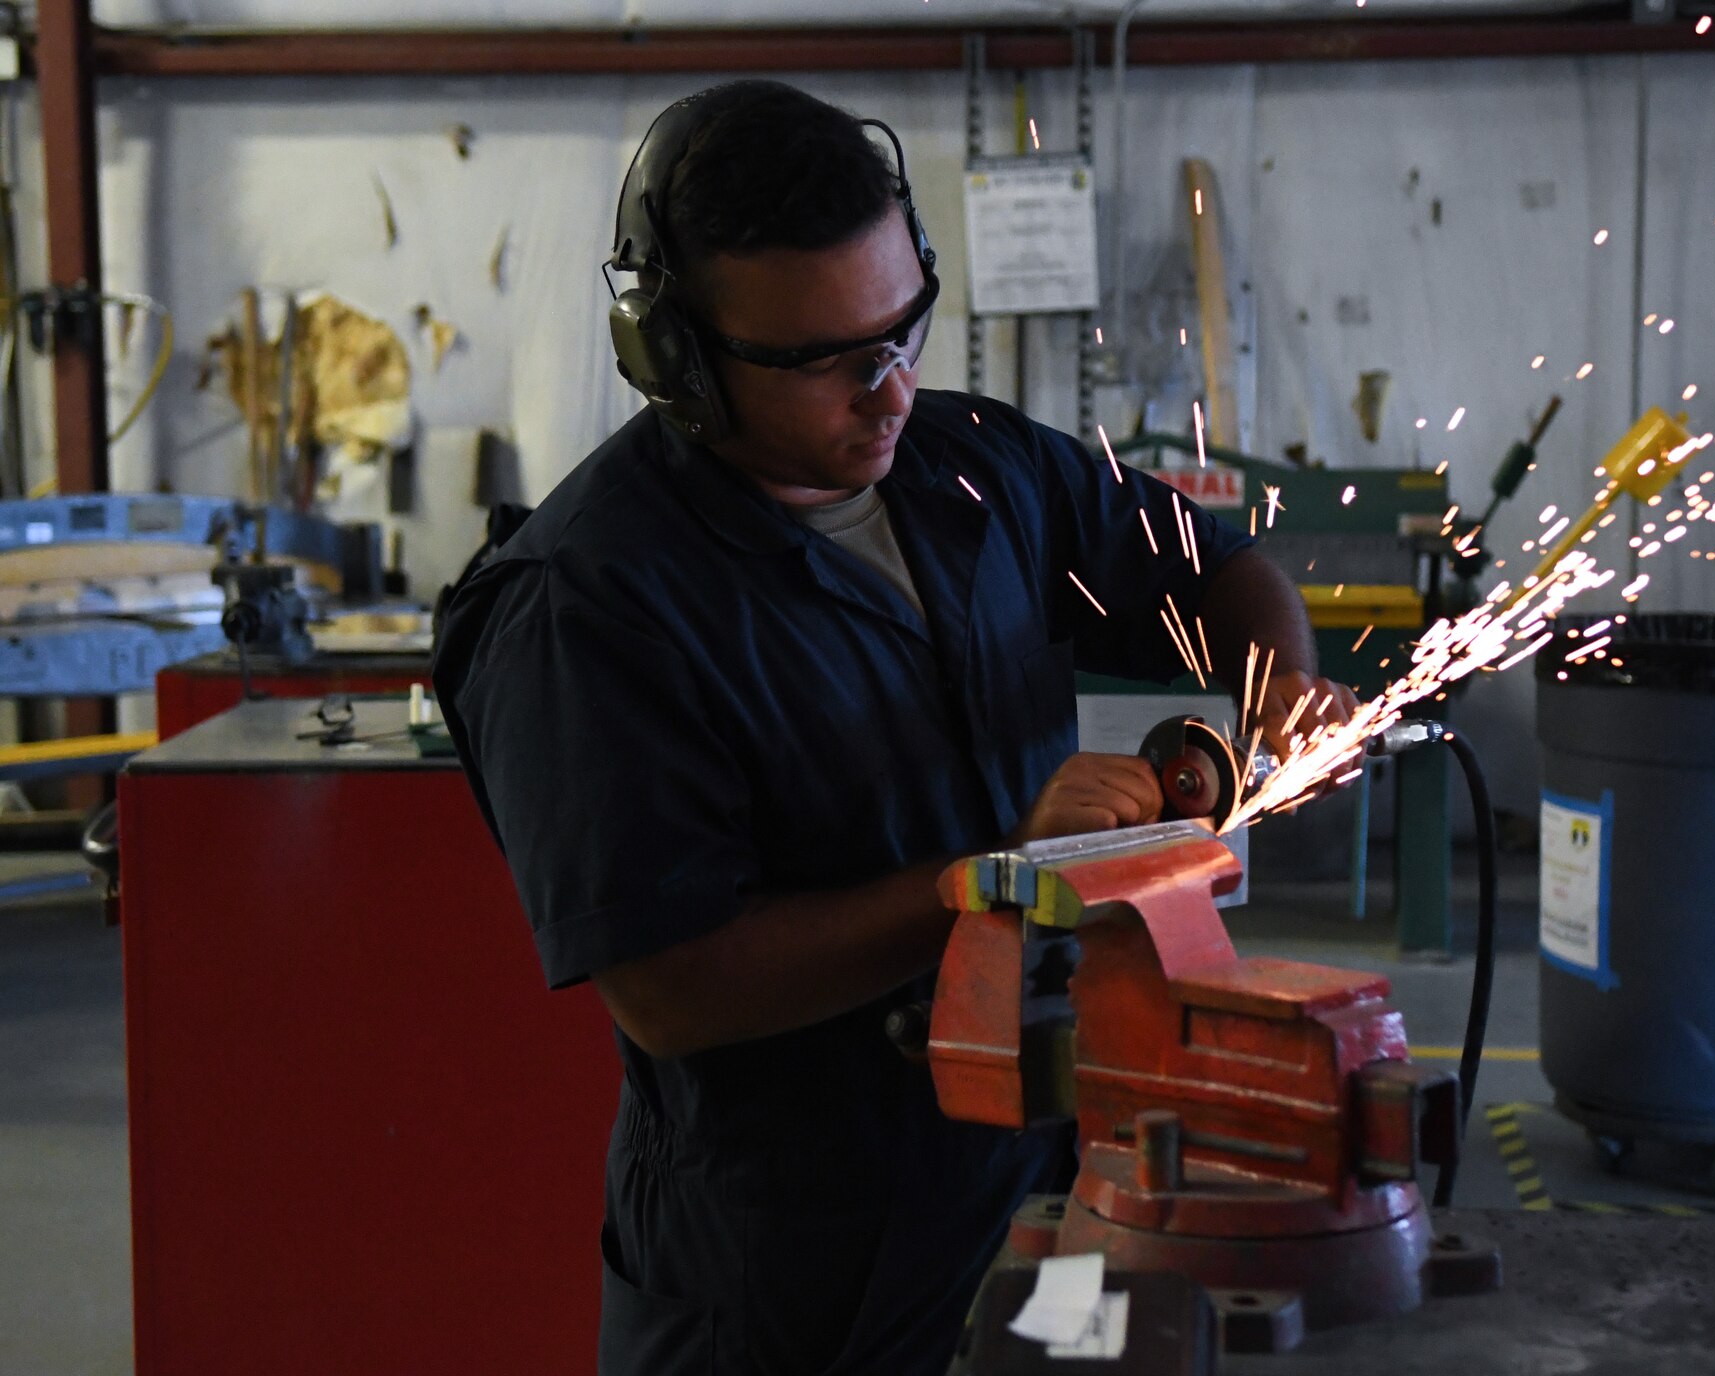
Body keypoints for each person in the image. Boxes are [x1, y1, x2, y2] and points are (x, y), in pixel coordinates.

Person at [433, 79, 1357, 1376]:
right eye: (823, 360)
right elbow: (673, 985)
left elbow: (1211, 566)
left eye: (904, 328)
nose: (889, 389)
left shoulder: (971, 462)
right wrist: (999, 880)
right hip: (791, 1266)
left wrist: (1277, 687)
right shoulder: (590, 604)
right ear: (679, 359)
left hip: (1045, 1189)